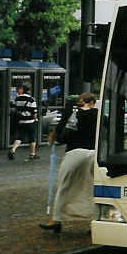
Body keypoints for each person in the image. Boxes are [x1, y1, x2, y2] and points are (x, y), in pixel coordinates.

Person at [41, 93, 98, 233]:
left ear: (82, 101)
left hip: (74, 153)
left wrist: (55, 137)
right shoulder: (99, 115)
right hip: (93, 153)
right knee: (90, 188)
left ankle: (56, 220)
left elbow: (65, 135)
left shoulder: (74, 114)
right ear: (92, 102)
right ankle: (94, 223)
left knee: (64, 186)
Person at [9, 84, 38, 161]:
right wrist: (35, 119)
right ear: (29, 90)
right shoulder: (31, 99)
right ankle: (32, 154)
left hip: (21, 121)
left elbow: (13, 108)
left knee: (20, 137)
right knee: (32, 138)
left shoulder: (17, 98)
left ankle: (13, 150)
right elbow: (34, 112)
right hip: (30, 121)